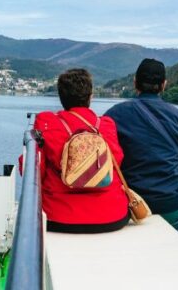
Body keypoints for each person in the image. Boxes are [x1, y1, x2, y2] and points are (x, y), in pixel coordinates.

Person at [25, 68, 129, 233]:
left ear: (61, 98)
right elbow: (118, 159)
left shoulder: (46, 122)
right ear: (91, 96)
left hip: (59, 216)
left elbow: (32, 169)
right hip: (111, 215)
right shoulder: (106, 125)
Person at [105, 59, 178, 235]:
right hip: (170, 202)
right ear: (164, 85)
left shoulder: (115, 115)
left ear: (135, 82)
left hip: (129, 204)